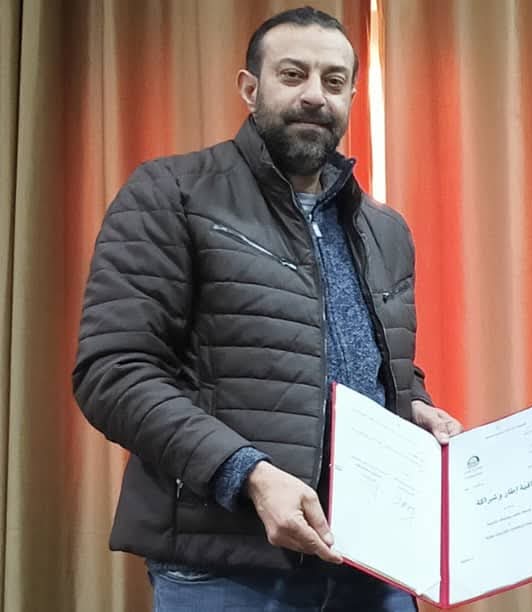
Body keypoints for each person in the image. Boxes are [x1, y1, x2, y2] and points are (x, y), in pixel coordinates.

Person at [72, 7, 460, 611]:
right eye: (293, 74)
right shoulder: (171, 193)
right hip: (228, 572)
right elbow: (113, 372)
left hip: (373, 564)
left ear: (351, 97)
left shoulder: (384, 228)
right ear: (250, 89)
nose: (315, 95)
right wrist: (248, 473)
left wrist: (416, 407)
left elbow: (371, 365)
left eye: (334, 81)